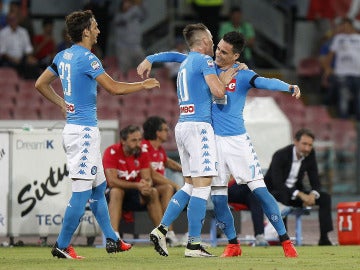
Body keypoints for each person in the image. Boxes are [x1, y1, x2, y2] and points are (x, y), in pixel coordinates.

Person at [137, 31, 301, 258]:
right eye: (218, 49)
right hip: (211, 141)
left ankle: (285, 241)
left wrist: (287, 86)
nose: (218, 54)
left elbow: (264, 81)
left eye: (224, 52)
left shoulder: (242, 74)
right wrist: (151, 59)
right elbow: (177, 56)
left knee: (260, 192)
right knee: (218, 199)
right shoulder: (207, 67)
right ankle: (233, 244)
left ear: (236, 56)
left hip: (237, 142)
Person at [34, 10, 160, 259]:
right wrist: (142, 85)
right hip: (83, 133)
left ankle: (112, 239)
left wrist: (61, 103)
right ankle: (61, 245)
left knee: (98, 188)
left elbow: (40, 83)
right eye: (95, 26)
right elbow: (113, 88)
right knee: (82, 192)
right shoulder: (88, 58)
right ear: (85, 32)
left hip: (77, 130)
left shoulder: (62, 56)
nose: (99, 30)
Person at [139, 23, 238, 258]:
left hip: (182, 126)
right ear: (203, 41)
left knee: (191, 185)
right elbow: (218, 92)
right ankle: (193, 244)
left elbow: (173, 55)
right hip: (199, 128)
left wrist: (151, 57)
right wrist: (225, 78)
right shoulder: (203, 62)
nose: (214, 43)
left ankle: (161, 229)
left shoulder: (185, 62)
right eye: (211, 38)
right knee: (203, 186)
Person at [264, 128, 334, 246]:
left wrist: (312, 194)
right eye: (304, 144)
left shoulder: (310, 154)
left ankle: (324, 238)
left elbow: (315, 180)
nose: (307, 148)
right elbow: (278, 184)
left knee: (325, 198)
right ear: (295, 142)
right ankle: (283, 239)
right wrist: (300, 194)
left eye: (310, 145)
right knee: (282, 196)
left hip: (295, 194)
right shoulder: (280, 155)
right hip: (276, 193)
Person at [103, 125, 163, 240]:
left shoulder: (142, 152)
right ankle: (113, 237)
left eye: (140, 139)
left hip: (134, 193)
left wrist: (147, 185)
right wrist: (137, 185)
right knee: (116, 191)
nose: (138, 143)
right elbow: (111, 181)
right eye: (134, 140)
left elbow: (147, 177)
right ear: (123, 141)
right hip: (111, 195)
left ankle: (161, 236)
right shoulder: (112, 151)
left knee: (153, 191)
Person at [142, 116, 182, 246]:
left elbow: (168, 162)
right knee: (168, 188)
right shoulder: (144, 148)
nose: (168, 132)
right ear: (157, 132)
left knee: (167, 189)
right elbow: (151, 174)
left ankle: (168, 234)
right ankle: (166, 233)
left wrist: (184, 170)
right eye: (165, 129)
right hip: (143, 190)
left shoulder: (159, 149)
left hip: (157, 189)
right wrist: (175, 184)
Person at [324, 17, 360, 120]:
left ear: (351, 25)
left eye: (346, 25)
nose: (344, 27)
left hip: (358, 73)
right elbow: (330, 55)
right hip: (342, 73)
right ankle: (343, 121)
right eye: (342, 25)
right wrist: (327, 69)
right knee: (343, 97)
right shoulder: (338, 38)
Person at [227, 178, 269, 246]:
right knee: (253, 186)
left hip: (245, 190)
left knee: (254, 197)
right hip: (228, 189)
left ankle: (260, 236)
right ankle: (260, 235)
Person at [0, 10, 39, 78]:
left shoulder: (23, 32)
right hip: (8, 60)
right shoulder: (3, 33)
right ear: (8, 21)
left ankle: (31, 87)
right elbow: (2, 52)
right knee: (16, 66)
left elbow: (28, 48)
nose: (13, 21)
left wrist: (29, 57)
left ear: (18, 20)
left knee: (33, 64)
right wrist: (13, 59)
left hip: (22, 59)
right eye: (11, 19)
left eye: (15, 19)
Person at [113, 0, 146, 78]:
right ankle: (120, 82)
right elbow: (125, 18)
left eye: (129, 3)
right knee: (123, 68)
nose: (127, 5)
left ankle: (149, 82)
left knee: (144, 62)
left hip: (135, 45)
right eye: (125, 3)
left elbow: (145, 15)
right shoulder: (118, 17)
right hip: (124, 46)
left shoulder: (135, 15)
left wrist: (141, 4)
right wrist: (135, 8)